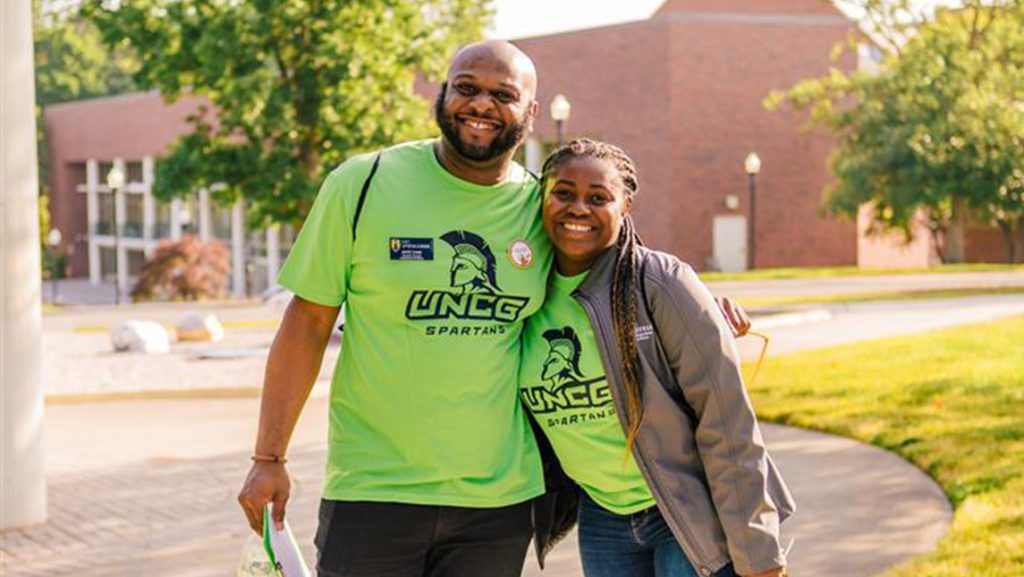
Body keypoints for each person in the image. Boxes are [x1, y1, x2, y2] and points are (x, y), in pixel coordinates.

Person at [237, 40, 752, 577]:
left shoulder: (541, 207)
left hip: (499, 504)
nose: (481, 104)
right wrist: (268, 459)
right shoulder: (362, 183)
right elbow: (307, 322)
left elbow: (609, 273)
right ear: (443, 94)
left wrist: (693, 310)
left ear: (530, 112)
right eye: (467, 87)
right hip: (375, 491)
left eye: (502, 94)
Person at [522, 139, 795, 577]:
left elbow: (727, 423)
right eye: (563, 193)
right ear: (542, 197)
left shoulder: (661, 283)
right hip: (602, 516)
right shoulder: (522, 297)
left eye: (598, 198)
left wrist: (758, 551)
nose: (578, 208)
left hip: (683, 511)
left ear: (625, 206)